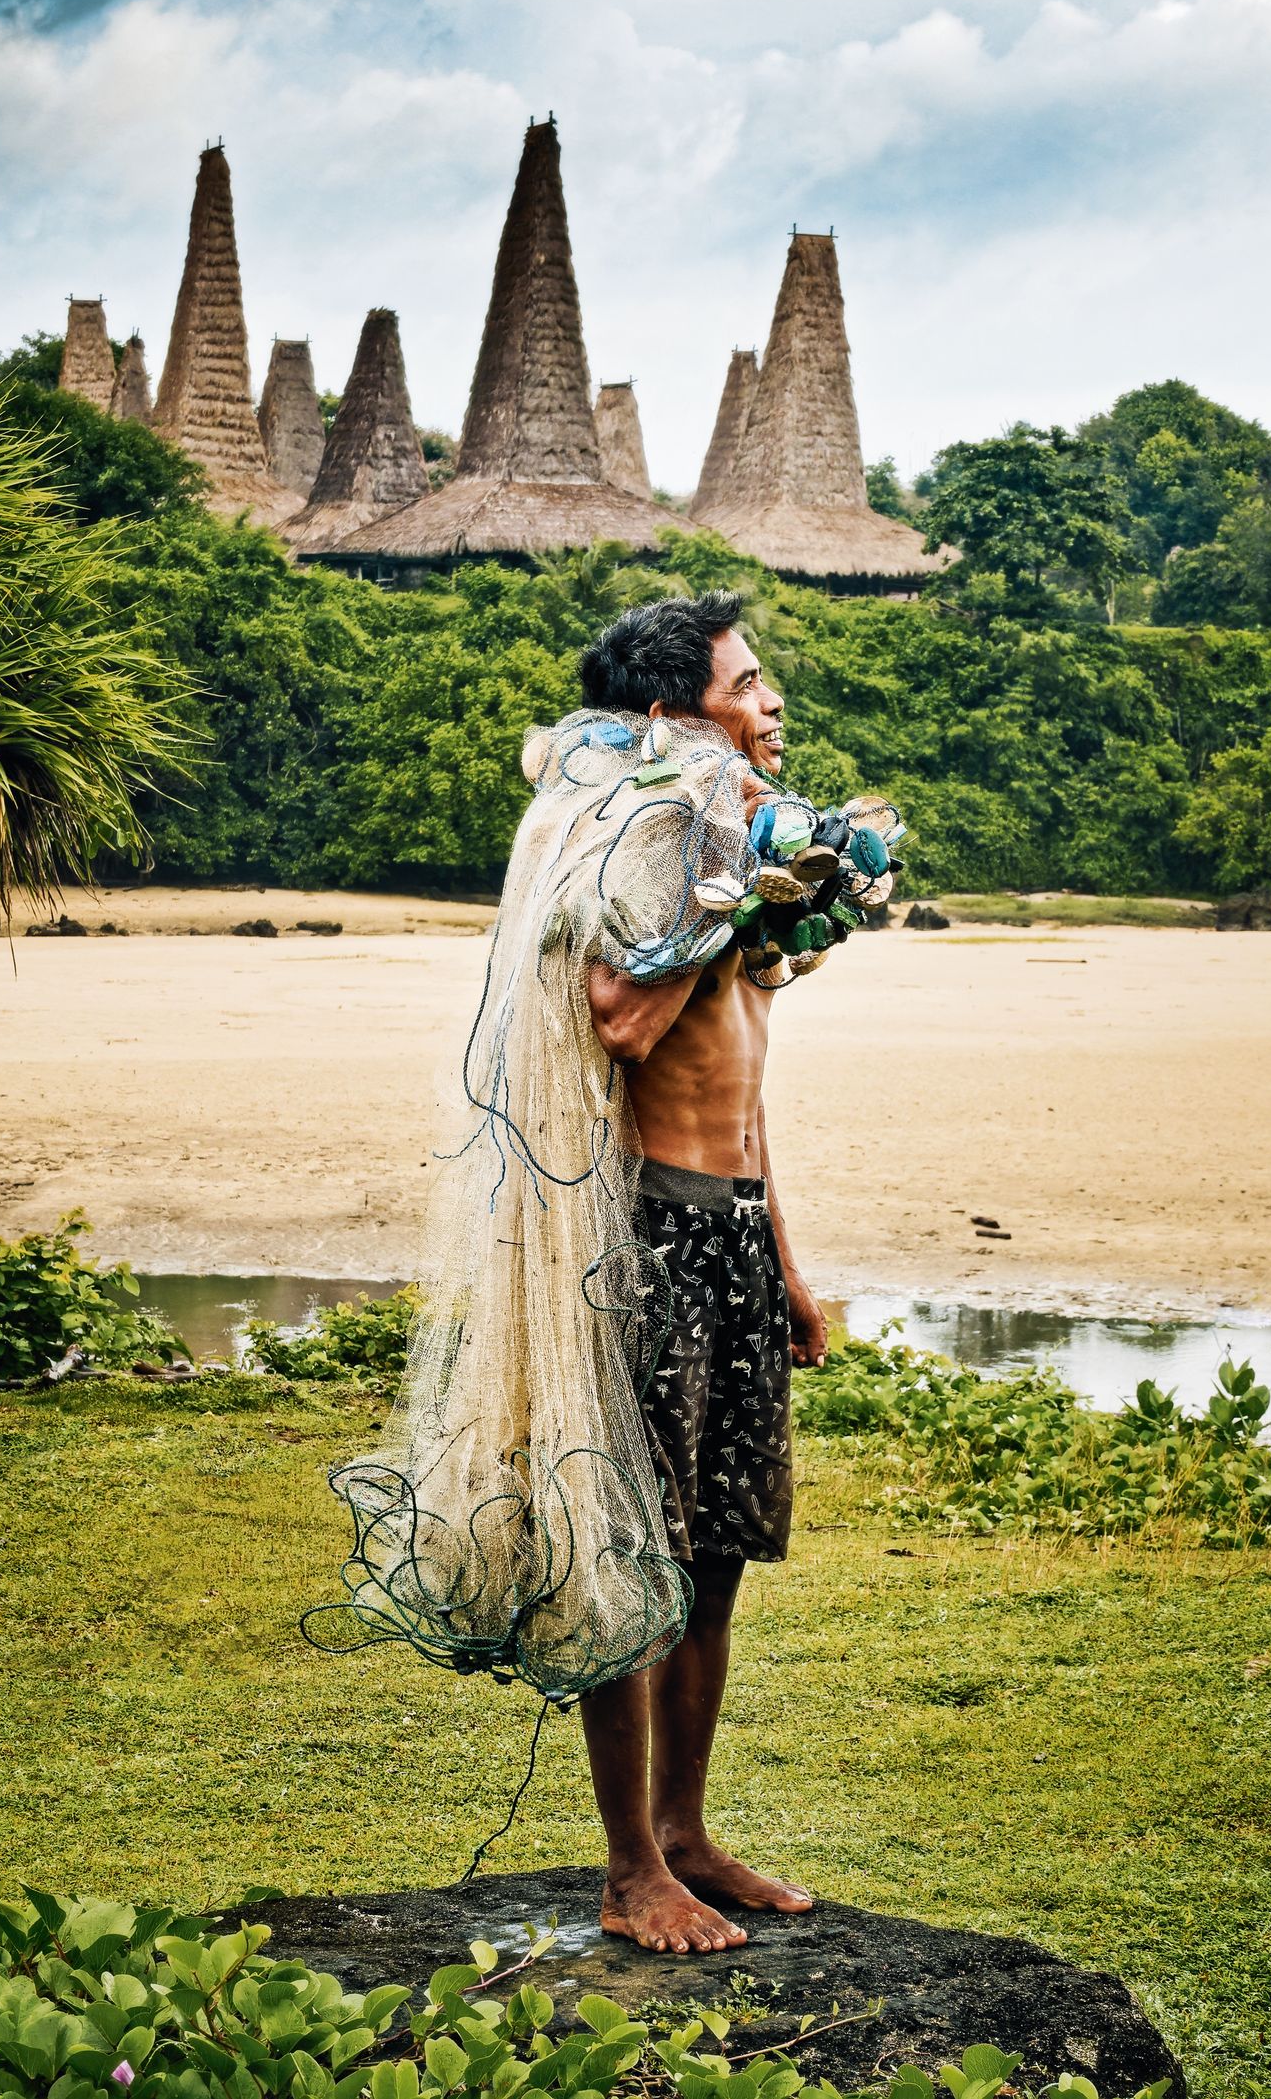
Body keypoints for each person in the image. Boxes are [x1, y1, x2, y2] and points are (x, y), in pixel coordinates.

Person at [577, 592, 829, 1955]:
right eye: (747, 682)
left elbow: (751, 1096)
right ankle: (629, 1869)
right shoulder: (641, 847)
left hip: (732, 1231)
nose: (771, 700)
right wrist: (719, 896)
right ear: (677, 713)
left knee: (719, 1554)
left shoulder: (743, 855)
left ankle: (686, 1830)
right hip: (653, 1236)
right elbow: (620, 1020)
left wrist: (787, 1264)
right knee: (639, 1554)